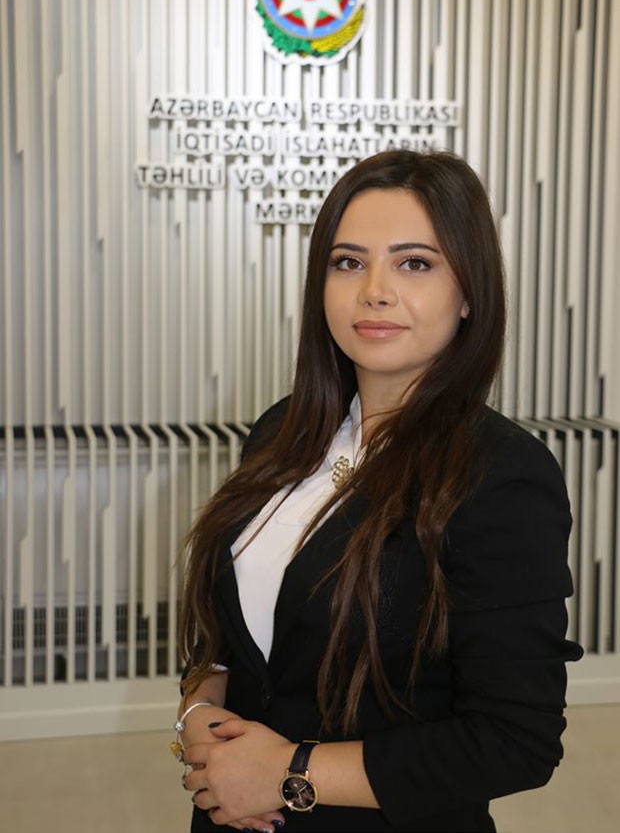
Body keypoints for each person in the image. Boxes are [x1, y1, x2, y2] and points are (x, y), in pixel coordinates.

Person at [173, 150, 583, 833]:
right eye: (348, 261)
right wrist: (199, 703)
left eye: (414, 263)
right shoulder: (282, 429)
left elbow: (516, 739)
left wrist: (291, 771)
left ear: (469, 293)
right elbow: (238, 628)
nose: (374, 290)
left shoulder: (502, 474)